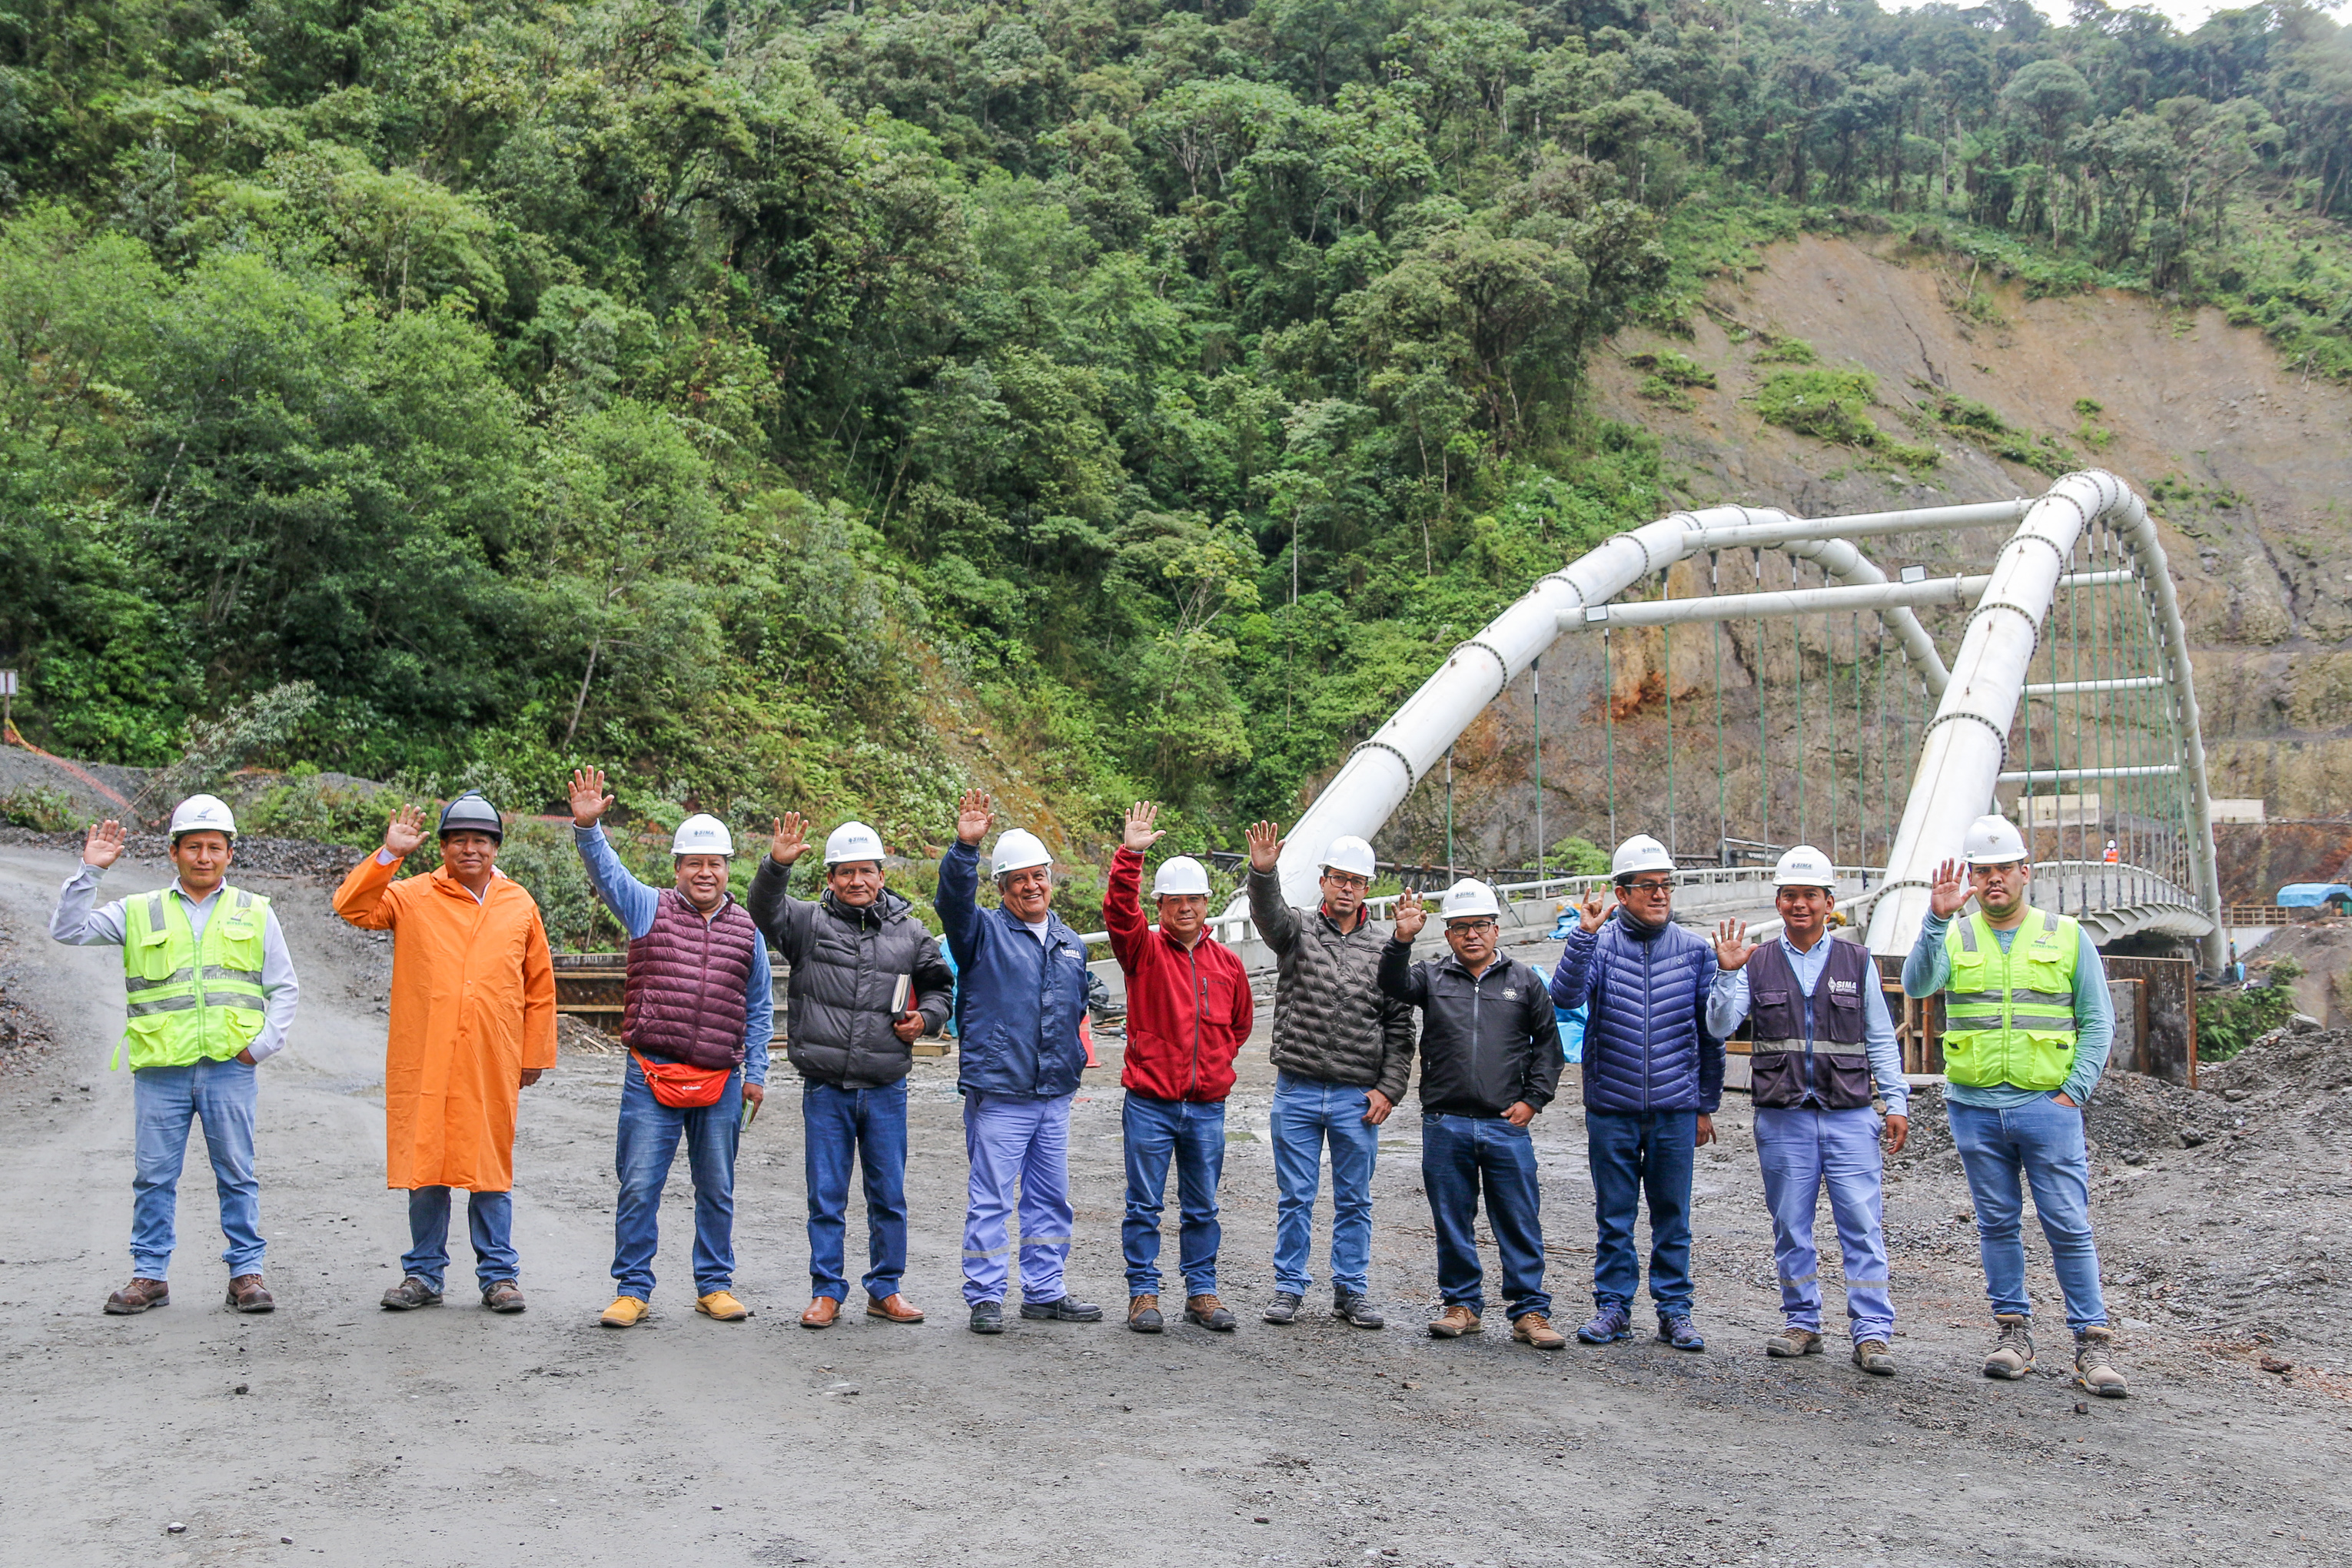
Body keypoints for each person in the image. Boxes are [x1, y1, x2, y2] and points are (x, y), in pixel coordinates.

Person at [1904, 813, 2126, 1397]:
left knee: (2068, 1225)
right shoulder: (1954, 932)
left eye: (2003, 869)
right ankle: (2013, 1334)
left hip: (2046, 1106)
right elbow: (1919, 984)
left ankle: (2091, 1344)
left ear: (2025, 872)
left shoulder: (2066, 934)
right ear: (1971, 878)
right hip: (1974, 1107)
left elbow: (2099, 1021)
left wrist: (2071, 1092)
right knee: (1997, 1224)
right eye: (1982, 871)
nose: (1993, 879)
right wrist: (1935, 918)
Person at [51, 796, 299, 1315]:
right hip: (161, 1071)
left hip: (230, 1068)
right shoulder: (139, 910)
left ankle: (246, 1275)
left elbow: (284, 987)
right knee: (154, 1175)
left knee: (237, 1172)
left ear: (230, 854)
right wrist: (89, 872)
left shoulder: (254, 911)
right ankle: (149, 1275)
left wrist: (260, 1049)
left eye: (214, 847)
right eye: (193, 847)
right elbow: (68, 930)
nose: (203, 857)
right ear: (174, 852)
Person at [334, 792, 555, 1315]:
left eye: (481, 840)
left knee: (489, 1166)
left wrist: (534, 1053)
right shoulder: (411, 896)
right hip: (427, 1053)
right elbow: (352, 906)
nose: (470, 849)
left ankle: (499, 1277)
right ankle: (423, 1274)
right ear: (443, 847)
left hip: (491, 1056)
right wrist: (389, 855)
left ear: (496, 847)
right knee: (427, 1163)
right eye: (459, 840)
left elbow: (539, 985)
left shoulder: (519, 903)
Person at [567, 769, 770, 1327]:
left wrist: (759, 1071)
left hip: (721, 1080)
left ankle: (715, 1285)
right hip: (652, 1073)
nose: (706, 872)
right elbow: (606, 873)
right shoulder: (646, 908)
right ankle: (632, 1288)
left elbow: (758, 1007)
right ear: (678, 868)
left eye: (716, 863)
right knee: (638, 1185)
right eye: (694, 863)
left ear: (729, 869)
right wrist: (589, 829)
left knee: (718, 1187)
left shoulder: (748, 930)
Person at [1708, 845, 1909, 1375]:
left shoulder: (1856, 961)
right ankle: (1802, 1323)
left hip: (1849, 1112)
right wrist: (1726, 975)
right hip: (1783, 1116)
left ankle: (1872, 1333)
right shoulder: (1757, 962)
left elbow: (1881, 1038)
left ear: (1828, 903)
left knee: (1861, 1225)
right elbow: (1719, 1026)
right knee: (1791, 1225)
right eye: (1791, 896)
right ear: (1779, 901)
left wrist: (1896, 1101)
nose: (1800, 905)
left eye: (1810, 896)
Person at [752, 812, 951, 1328]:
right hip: (826, 1087)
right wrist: (777, 864)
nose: (856, 881)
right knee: (826, 1195)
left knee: (889, 1195)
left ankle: (885, 1289)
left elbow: (940, 987)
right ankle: (826, 1291)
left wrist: (926, 1018)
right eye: (845, 872)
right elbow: (763, 909)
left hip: (886, 1088)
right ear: (830, 879)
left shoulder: (910, 933)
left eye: (866, 871)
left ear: (882, 875)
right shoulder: (806, 924)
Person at [1548, 833, 1722, 1352]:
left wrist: (1706, 1105)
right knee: (1614, 1214)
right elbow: (1565, 996)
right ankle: (1614, 1308)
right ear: (1621, 894)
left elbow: (1710, 1035)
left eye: (1666, 885)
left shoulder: (1694, 952)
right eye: (1648, 887)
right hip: (1612, 1108)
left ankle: (1674, 1311)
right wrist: (1583, 934)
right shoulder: (1598, 947)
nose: (1660, 895)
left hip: (1674, 1108)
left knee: (1674, 1215)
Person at [936, 789, 1099, 1334]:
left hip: (1053, 1096)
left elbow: (1075, 1009)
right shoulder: (979, 934)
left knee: (1050, 1199)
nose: (1033, 886)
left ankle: (1045, 1291)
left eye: (1040, 876)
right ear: (1002, 887)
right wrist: (965, 848)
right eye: (1020, 879)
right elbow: (953, 904)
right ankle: (985, 1296)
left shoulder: (1069, 942)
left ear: (1051, 879)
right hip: (1000, 1096)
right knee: (991, 1200)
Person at [1379, 879, 1566, 1348]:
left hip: (1506, 1123)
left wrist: (1533, 1099)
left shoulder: (1524, 982)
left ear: (1496, 928)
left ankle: (1530, 1311)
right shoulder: (1432, 977)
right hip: (1446, 1122)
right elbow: (1391, 984)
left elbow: (1548, 1046)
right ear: (1447, 935)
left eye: (1480, 926)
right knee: (1452, 1218)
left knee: (1519, 1218)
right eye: (1460, 928)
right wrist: (1402, 938)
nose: (1471, 936)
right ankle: (1461, 1305)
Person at [1244, 823, 1414, 1329]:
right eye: (1337, 878)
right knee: (1295, 1196)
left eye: (1356, 881)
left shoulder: (1389, 951)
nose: (1346, 887)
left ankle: (1351, 1291)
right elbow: (1266, 913)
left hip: (1356, 1096)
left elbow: (1401, 1029)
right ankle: (1289, 1288)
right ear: (1323, 882)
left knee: (1355, 1199)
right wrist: (1263, 871)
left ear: (1367, 888)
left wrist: (1389, 1088)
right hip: (1296, 1087)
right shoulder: (1296, 931)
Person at [1105, 802, 1254, 1334]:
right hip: (1150, 1103)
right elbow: (1119, 911)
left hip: (1206, 1107)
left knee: (1202, 1206)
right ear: (1160, 905)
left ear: (1207, 904)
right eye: (1174, 901)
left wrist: (1211, 1069)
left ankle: (1202, 1292)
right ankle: (1143, 1293)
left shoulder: (1228, 964)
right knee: (1143, 1204)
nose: (1185, 908)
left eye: (1194, 899)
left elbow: (1238, 1028)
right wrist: (1131, 855)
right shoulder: (1141, 951)